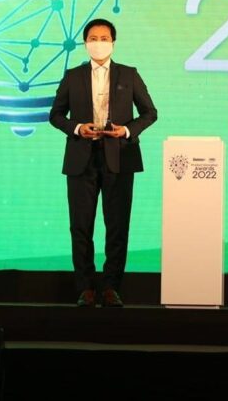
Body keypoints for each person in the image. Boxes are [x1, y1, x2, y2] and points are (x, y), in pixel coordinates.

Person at [49, 18, 158, 308]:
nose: (99, 43)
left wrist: (126, 131)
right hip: (81, 158)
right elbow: (55, 115)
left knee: (117, 226)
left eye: (104, 38)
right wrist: (77, 128)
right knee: (81, 226)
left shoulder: (129, 74)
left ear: (113, 43)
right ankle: (85, 288)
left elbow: (149, 113)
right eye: (93, 39)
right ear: (85, 43)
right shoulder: (73, 76)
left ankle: (111, 287)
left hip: (120, 157)